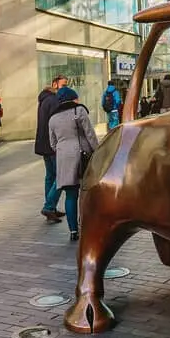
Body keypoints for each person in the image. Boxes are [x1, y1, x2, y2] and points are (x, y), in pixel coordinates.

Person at [47, 87, 98, 243]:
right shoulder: (79, 111)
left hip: (63, 159)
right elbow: (90, 134)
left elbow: (52, 143)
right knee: (86, 192)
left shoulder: (52, 118)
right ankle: (87, 225)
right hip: (82, 157)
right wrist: (97, 151)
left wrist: (63, 150)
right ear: (72, 98)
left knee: (70, 195)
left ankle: (73, 230)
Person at [34, 75, 68, 224]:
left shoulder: (44, 99)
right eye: (63, 85)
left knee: (50, 176)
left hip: (44, 143)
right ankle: (49, 206)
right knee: (60, 177)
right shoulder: (54, 100)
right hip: (53, 144)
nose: (64, 88)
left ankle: (51, 207)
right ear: (54, 84)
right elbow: (57, 124)